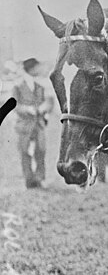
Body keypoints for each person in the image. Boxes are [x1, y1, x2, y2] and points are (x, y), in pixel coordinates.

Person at [11, 57, 53, 188]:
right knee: (25, 152)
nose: (39, 69)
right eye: (37, 67)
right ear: (31, 69)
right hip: (24, 125)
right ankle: (29, 181)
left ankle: (40, 179)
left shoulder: (40, 85)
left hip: (38, 124)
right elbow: (14, 105)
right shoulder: (17, 86)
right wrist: (26, 109)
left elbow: (49, 102)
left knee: (40, 151)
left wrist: (42, 108)